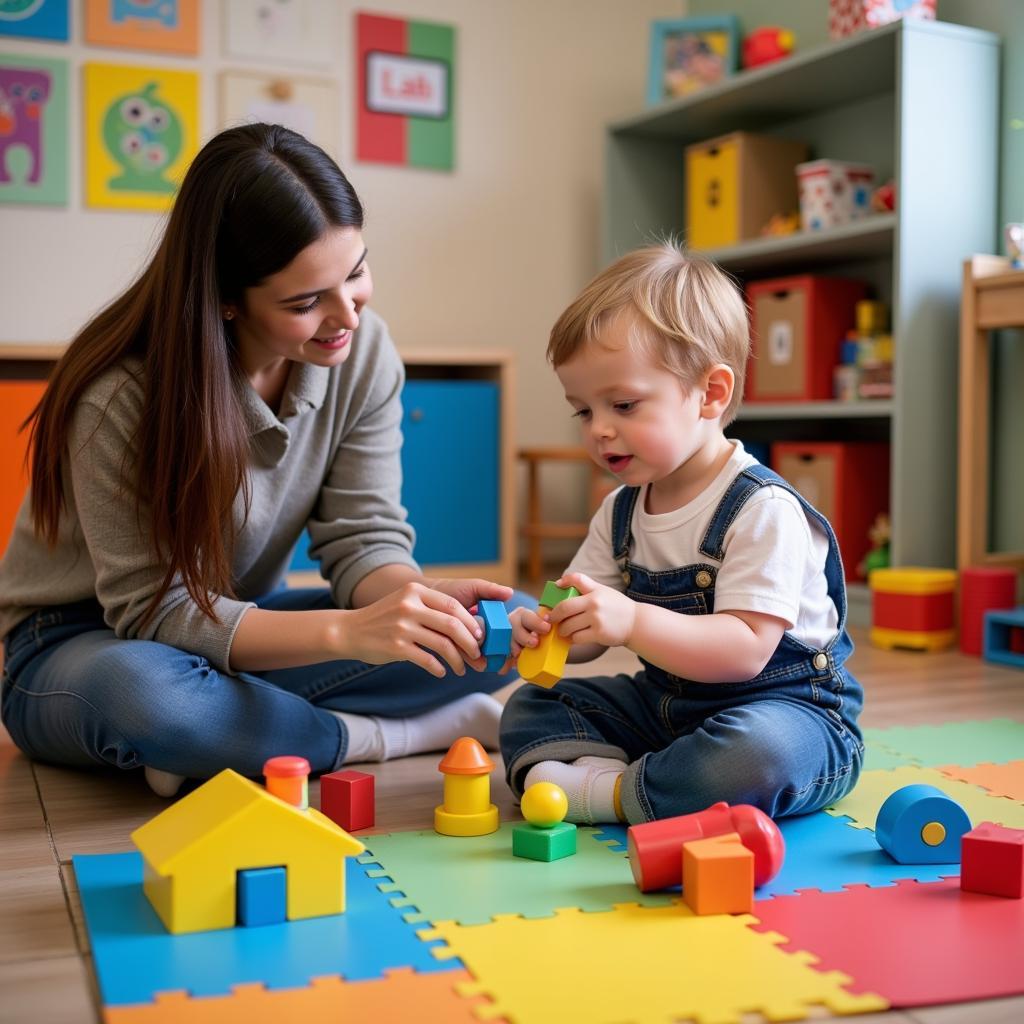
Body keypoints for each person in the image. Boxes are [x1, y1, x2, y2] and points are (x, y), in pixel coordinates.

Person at [0, 123, 525, 798]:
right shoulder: (121, 397)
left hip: (233, 621)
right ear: (225, 300)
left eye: (357, 272)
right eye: (306, 303)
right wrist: (346, 631)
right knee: (156, 699)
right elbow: (153, 614)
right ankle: (381, 736)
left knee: (487, 630)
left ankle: (230, 740)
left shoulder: (363, 353)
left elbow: (363, 535)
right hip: (79, 645)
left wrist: (409, 604)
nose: (347, 316)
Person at [499, 243, 865, 826]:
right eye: (583, 411)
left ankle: (612, 794)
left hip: (787, 712)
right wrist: (548, 628)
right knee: (533, 705)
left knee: (759, 754)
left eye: (622, 404)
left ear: (711, 394)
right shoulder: (620, 509)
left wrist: (634, 621)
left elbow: (746, 650)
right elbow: (586, 623)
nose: (599, 430)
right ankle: (647, 779)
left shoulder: (761, 508)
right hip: (670, 709)